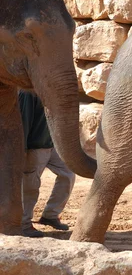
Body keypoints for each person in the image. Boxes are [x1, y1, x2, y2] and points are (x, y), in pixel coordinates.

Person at [19, 90, 75, 238]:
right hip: (35, 147)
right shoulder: (28, 93)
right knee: (30, 186)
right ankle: (24, 224)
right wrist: (22, 150)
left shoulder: (52, 88)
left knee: (68, 173)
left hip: (52, 144)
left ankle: (50, 214)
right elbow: (23, 121)